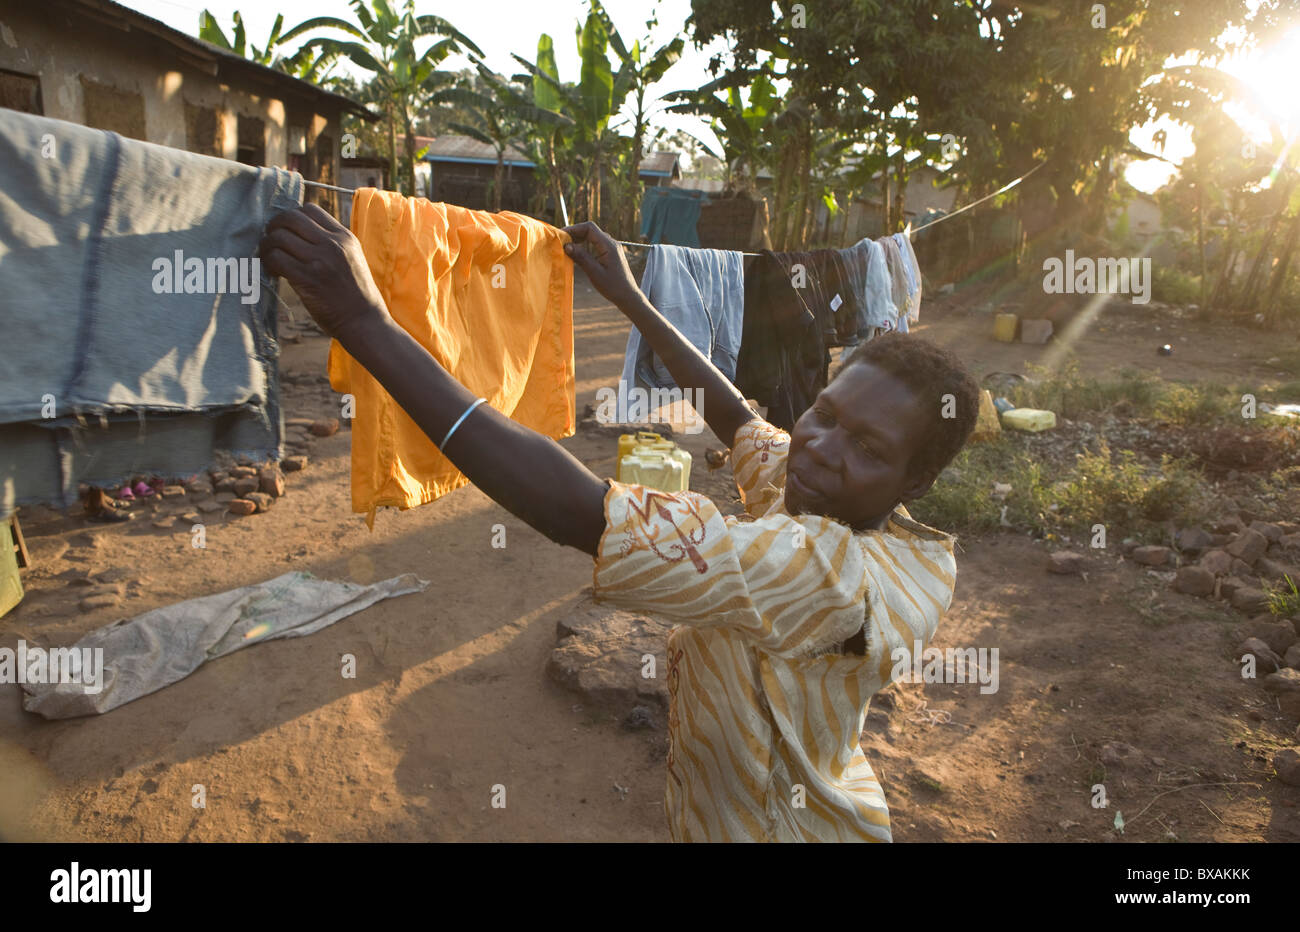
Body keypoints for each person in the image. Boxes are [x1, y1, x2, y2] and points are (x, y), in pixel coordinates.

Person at [259, 207, 980, 841]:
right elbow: (741, 419)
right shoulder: (845, 500)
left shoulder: (827, 574)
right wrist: (631, 297)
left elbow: (580, 511)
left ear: (917, 481)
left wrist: (364, 323)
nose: (822, 446)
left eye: (869, 448)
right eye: (826, 414)